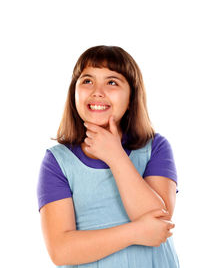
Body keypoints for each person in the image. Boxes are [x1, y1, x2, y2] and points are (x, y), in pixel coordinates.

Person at [37, 45, 180, 267]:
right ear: (74, 92)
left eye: (112, 82)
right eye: (87, 81)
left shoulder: (156, 147)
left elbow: (159, 224)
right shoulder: (58, 162)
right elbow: (61, 250)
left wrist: (115, 155)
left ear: (132, 96)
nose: (97, 91)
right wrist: (135, 232)